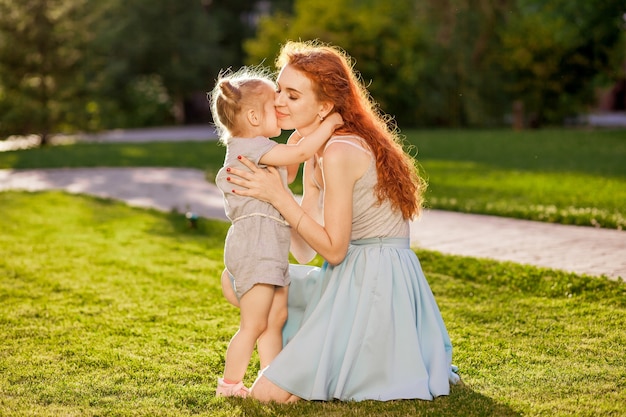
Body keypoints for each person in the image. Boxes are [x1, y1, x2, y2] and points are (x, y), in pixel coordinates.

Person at [224, 40, 460, 403]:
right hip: (350, 270)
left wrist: (280, 197)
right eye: (279, 91)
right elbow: (305, 251)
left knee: (267, 395)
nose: (278, 102)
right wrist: (265, 206)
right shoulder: (312, 149)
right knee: (237, 278)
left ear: (325, 107)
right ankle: (304, 353)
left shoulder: (339, 151)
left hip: (378, 278)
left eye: (292, 95)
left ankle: (342, 359)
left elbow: (333, 250)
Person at [209, 67, 343, 398]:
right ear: (254, 117)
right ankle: (229, 385)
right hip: (255, 251)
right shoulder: (249, 147)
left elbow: (289, 170)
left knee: (276, 318)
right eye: (274, 103)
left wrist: (298, 138)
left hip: (270, 250)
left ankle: (273, 377)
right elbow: (298, 156)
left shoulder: (260, 146)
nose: (281, 106)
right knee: (254, 324)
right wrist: (331, 124)